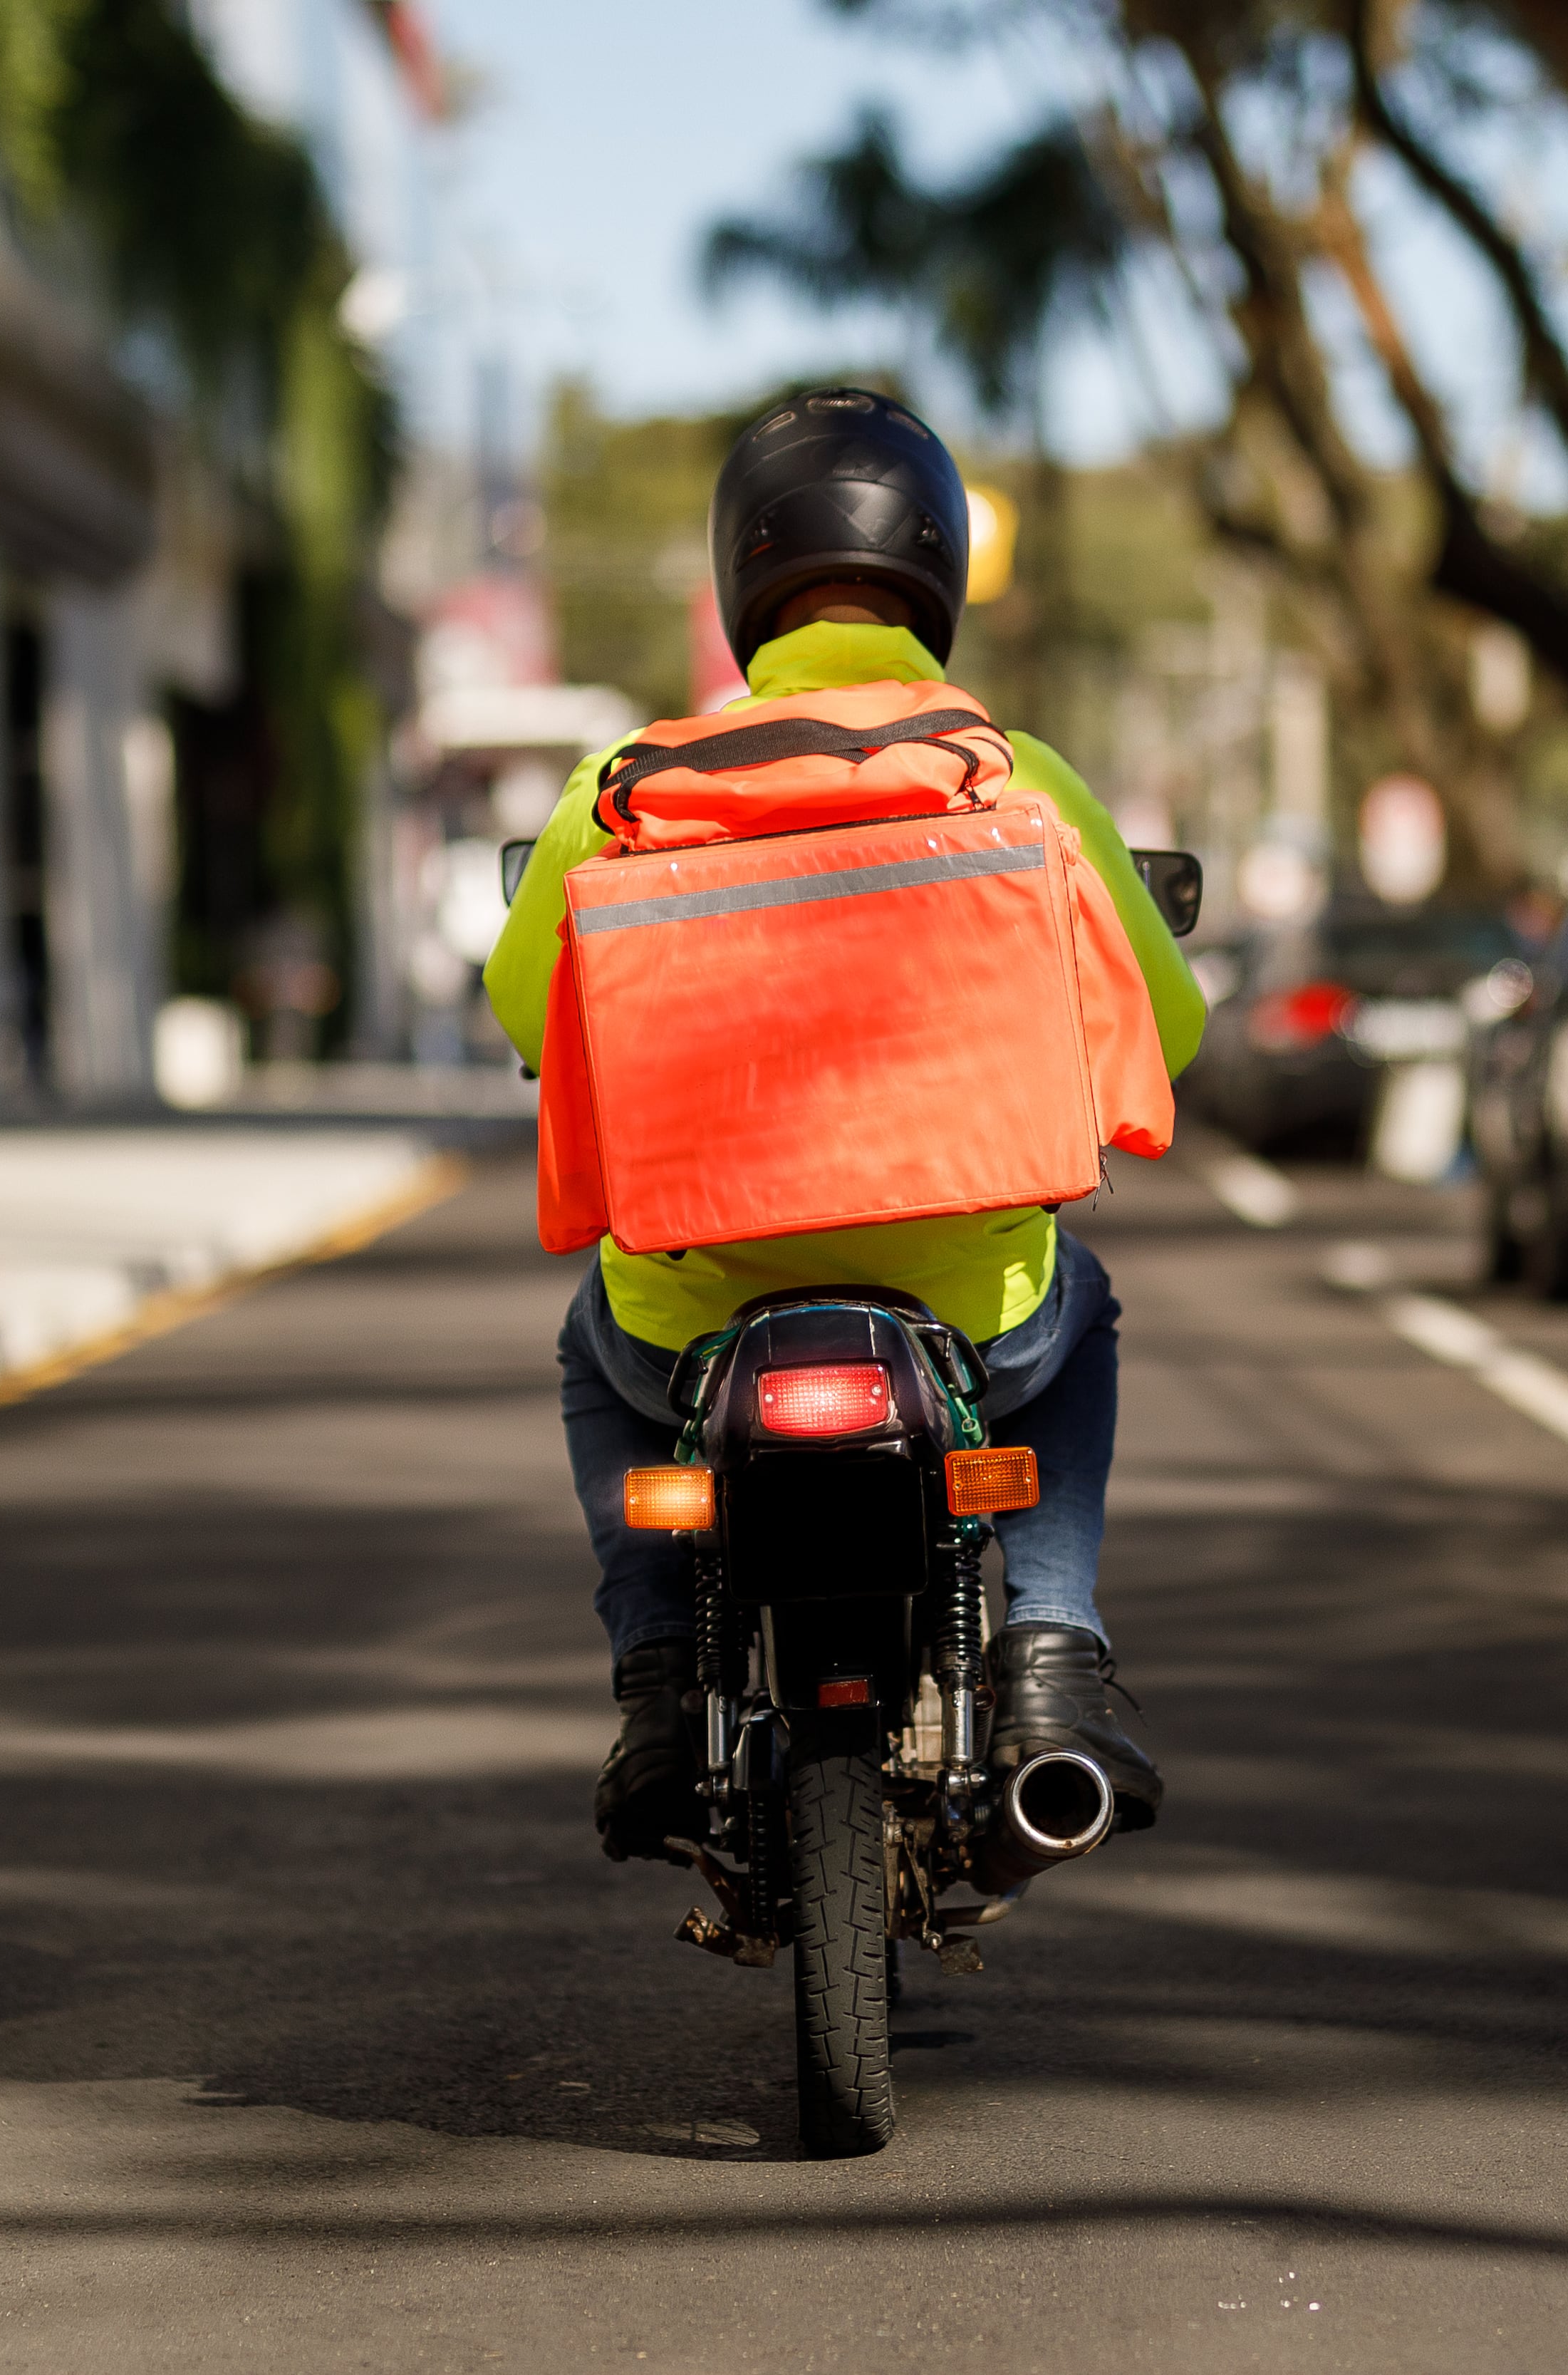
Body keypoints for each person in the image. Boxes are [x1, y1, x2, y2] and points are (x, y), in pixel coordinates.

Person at [482, 388, 1209, 1866]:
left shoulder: (620, 790)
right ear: (933, 567)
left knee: (586, 1346)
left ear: (741, 572)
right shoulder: (1021, 774)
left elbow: (521, 1010)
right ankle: (1056, 1653)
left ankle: (657, 1676)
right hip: (967, 1326)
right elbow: (1170, 1029)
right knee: (1086, 1313)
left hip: (691, 1334)